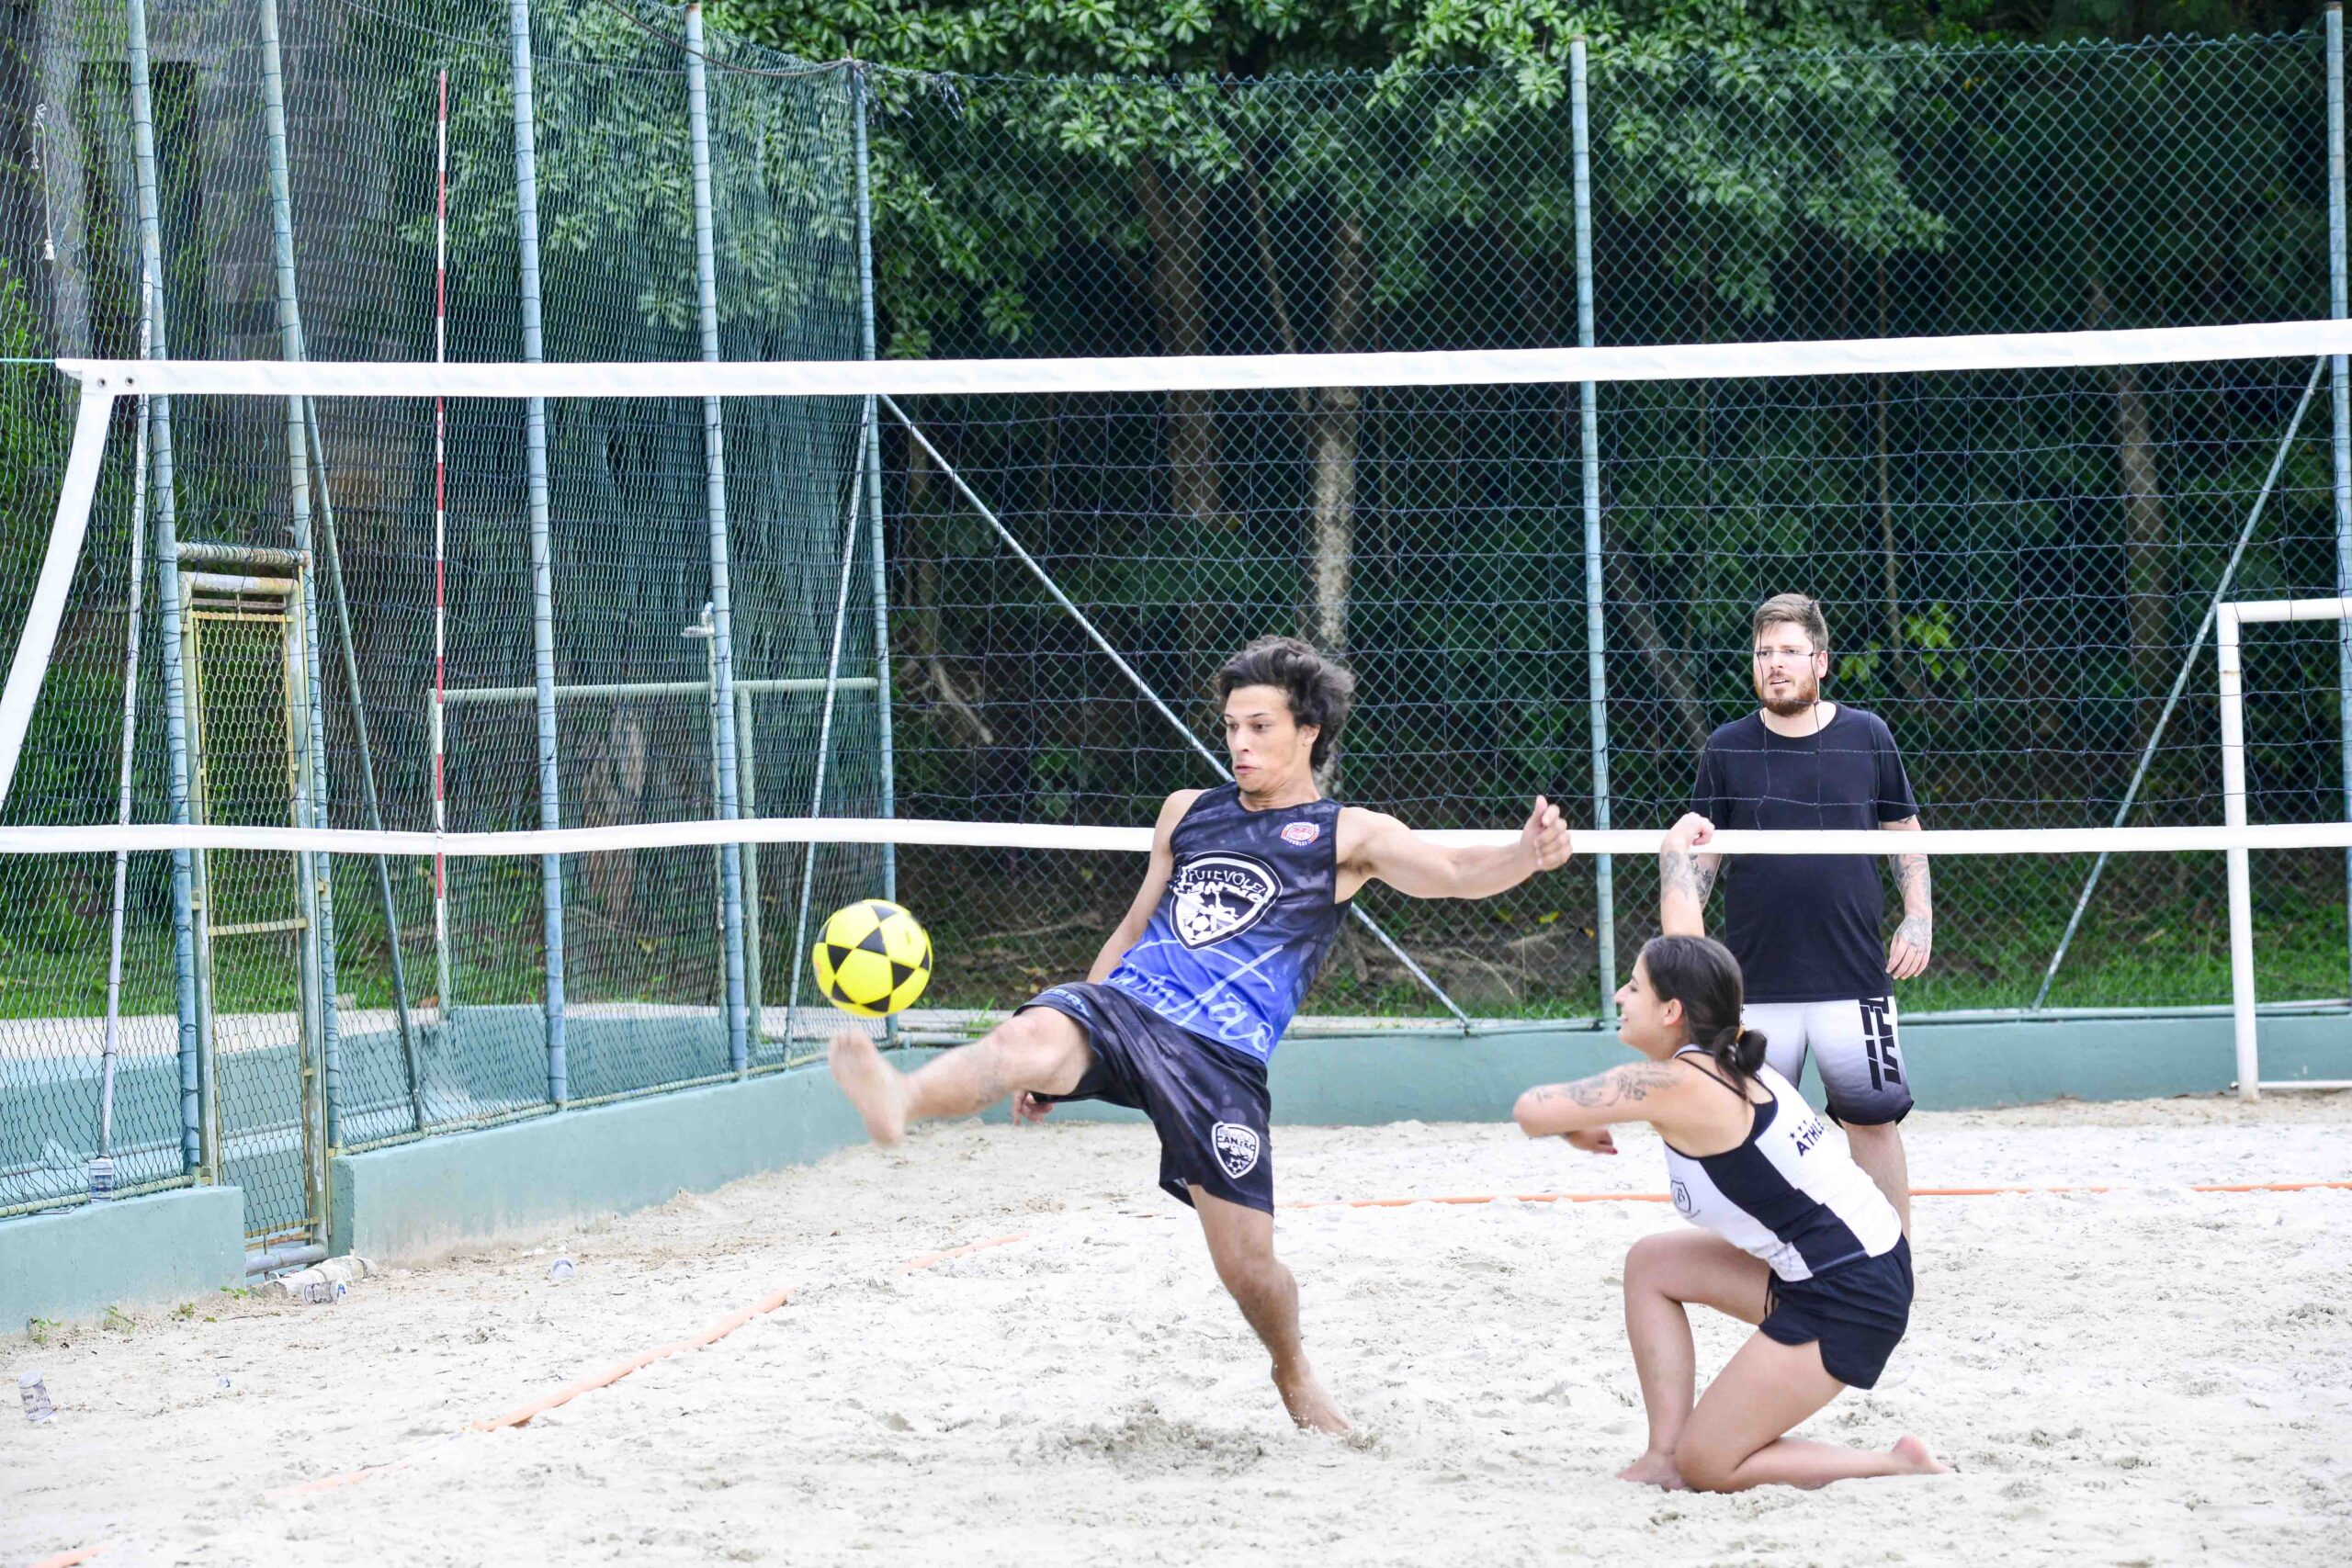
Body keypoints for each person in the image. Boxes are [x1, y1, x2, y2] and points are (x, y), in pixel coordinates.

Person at [829, 635, 1573, 1433]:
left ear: (1309, 731)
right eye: (1231, 726)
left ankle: (1293, 1370)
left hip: (1220, 1058)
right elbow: (1134, 926)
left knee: (1248, 1269)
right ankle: (901, 1097)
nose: (1240, 743)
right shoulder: (1188, 809)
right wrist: (1069, 1039)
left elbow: (1454, 874)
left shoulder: (1344, 834)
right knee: (1023, 1040)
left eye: (1260, 726)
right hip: (1129, 1008)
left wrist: (1524, 854)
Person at [1511, 915, 1947, 1492]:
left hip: (1854, 1294)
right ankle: (1661, 1455)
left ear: (1672, 1011)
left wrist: (1573, 1120)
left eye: (1634, 987)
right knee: (1652, 1264)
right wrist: (1576, 1121)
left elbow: (1532, 1109)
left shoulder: (1680, 1085)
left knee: (1710, 1464)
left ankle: (1897, 1464)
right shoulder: (1722, 1054)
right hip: (1847, 1264)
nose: (1619, 995)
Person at [1661, 592, 1930, 1231]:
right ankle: (1762, 1261)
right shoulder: (1727, 747)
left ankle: (1892, 1261)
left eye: (1789, 651)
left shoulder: (1867, 735)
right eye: (1764, 653)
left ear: (1821, 661)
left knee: (1873, 1124)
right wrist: (1688, 960)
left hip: (1853, 975)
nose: (1775, 664)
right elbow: (1702, 861)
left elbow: (1904, 831)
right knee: (1748, 1129)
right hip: (1756, 983)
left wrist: (1917, 916)